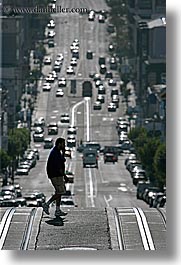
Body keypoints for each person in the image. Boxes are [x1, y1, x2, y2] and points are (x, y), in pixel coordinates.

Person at [42, 137, 69, 217]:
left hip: (56, 175)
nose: (64, 145)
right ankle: (47, 204)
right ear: (59, 144)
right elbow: (59, 167)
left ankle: (57, 210)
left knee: (59, 192)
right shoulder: (55, 153)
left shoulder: (57, 152)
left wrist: (63, 152)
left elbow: (62, 161)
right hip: (55, 175)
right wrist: (65, 176)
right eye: (63, 144)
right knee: (61, 192)